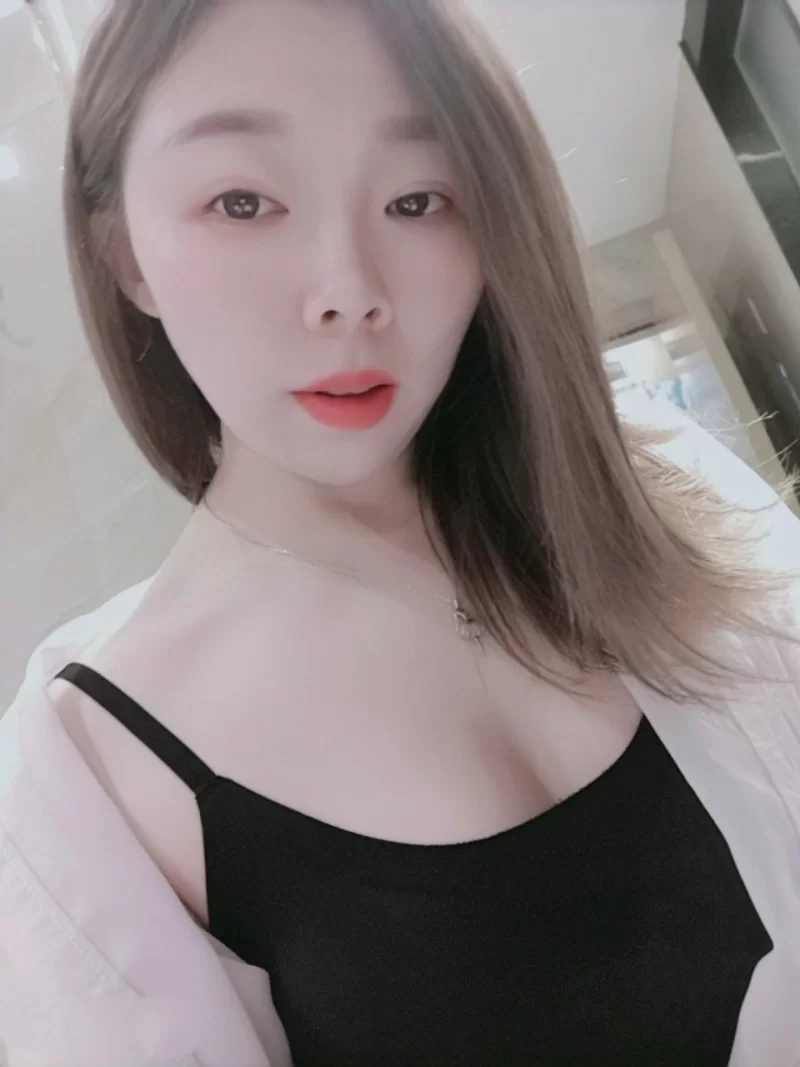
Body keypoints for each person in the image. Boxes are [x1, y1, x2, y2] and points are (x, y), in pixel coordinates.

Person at [1, 1, 800, 1064]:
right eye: (242, 201)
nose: (348, 291)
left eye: (417, 198)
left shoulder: (654, 484)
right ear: (126, 255)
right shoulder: (94, 781)